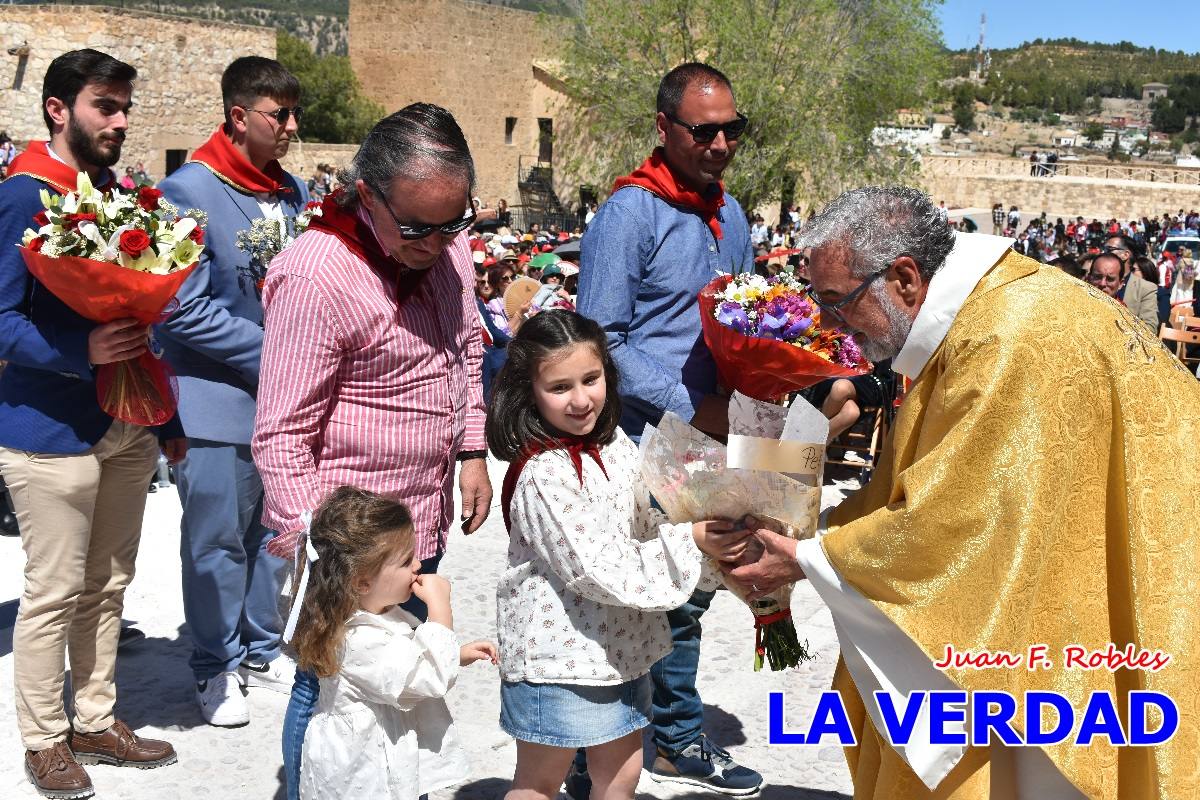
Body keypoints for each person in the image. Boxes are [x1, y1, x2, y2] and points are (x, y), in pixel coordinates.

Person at [727, 186, 1199, 799]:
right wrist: (805, 530)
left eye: (836, 302)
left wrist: (805, 559)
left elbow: (956, 524)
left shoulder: (1005, 341)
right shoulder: (982, 315)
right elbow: (925, 480)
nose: (829, 325)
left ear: (903, 278)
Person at [252, 102, 492, 800]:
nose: (438, 242)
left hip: (416, 530)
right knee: (325, 692)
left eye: (456, 221)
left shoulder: (449, 247)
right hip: (348, 548)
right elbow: (281, 434)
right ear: (366, 196)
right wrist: (323, 555)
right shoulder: (315, 276)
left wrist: (471, 448)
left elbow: (463, 352)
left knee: (400, 686)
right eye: (417, 226)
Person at [0, 49, 184, 800]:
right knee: (52, 593)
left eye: (125, 107)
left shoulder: (109, 190)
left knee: (109, 583)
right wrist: (84, 350)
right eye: (105, 106)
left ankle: (95, 719)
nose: (120, 120)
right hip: (46, 428)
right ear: (58, 108)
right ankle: (43, 739)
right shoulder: (22, 194)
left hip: (121, 421)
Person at [576, 62, 759, 797]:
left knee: (691, 595)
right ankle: (596, 756)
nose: (720, 144)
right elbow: (598, 339)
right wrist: (691, 401)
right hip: (639, 437)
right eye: (703, 130)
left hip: (707, 438)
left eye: (732, 130)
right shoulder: (630, 214)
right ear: (664, 128)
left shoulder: (732, 214)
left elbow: (744, 319)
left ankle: (674, 738)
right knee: (626, 600)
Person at [486, 311, 752, 800]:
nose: (582, 399)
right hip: (561, 658)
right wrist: (690, 540)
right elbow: (595, 567)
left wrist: (718, 499)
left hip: (620, 648)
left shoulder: (612, 445)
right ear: (528, 390)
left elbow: (646, 514)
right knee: (540, 783)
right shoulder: (543, 473)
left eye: (591, 378)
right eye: (560, 387)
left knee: (622, 776)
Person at [156, 56, 310, 727]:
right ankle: (212, 666)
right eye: (281, 115)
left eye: (293, 114)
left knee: (271, 533)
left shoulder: (293, 192)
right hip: (214, 395)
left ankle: (257, 646)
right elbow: (179, 308)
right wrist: (276, 354)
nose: (293, 128)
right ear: (240, 115)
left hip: (284, 401)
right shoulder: (185, 190)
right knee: (216, 538)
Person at [290, 486, 496, 800]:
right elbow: (429, 678)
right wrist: (440, 608)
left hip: (381, 753)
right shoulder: (357, 638)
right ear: (362, 582)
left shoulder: (378, 613)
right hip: (362, 773)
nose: (417, 565)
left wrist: (456, 654)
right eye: (405, 561)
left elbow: (407, 658)